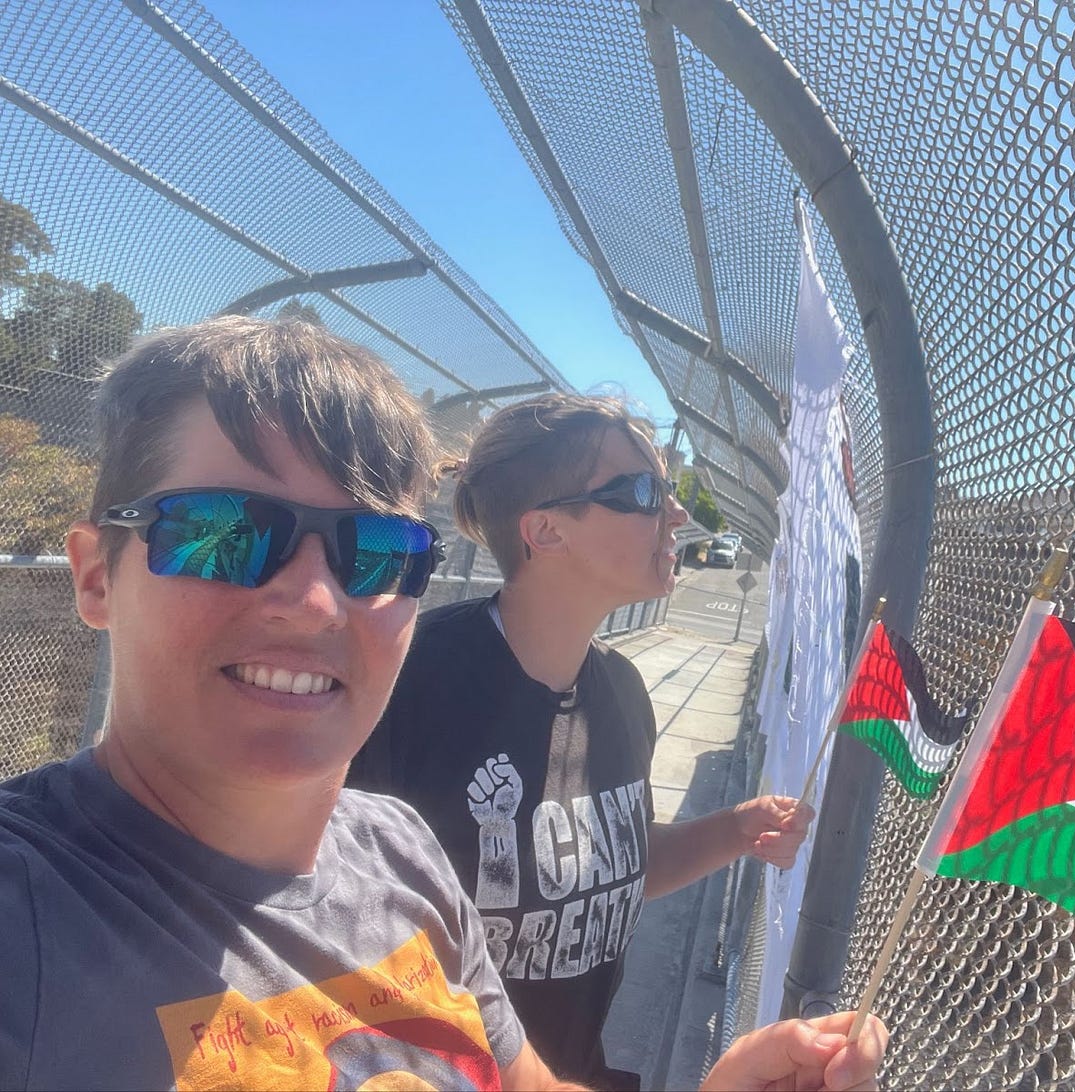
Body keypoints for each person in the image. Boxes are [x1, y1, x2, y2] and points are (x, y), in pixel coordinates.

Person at [0, 318, 886, 1091]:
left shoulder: (400, 857)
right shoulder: (34, 917)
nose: (314, 601)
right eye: (224, 534)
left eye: (379, 552)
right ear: (93, 575)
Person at [350, 393, 815, 1088]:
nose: (677, 515)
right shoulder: (408, 683)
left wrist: (737, 830)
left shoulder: (621, 694)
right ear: (546, 530)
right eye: (643, 492)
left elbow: (604, 874)